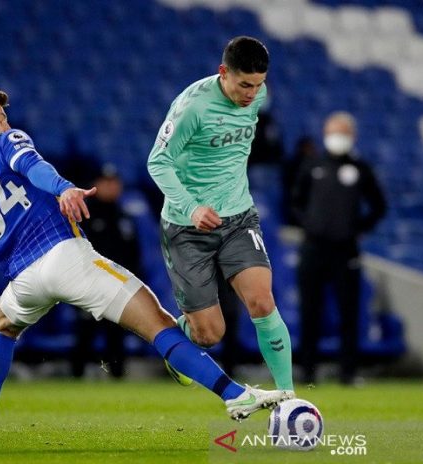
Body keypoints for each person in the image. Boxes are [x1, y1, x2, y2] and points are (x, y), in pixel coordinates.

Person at [0, 89, 290, 442]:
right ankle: (234, 395)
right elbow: (33, 165)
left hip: (23, 277)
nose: (6, 119)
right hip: (64, 257)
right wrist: (62, 187)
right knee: (159, 323)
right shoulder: (5, 142)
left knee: (2, 327)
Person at [147, 36, 295, 395]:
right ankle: (180, 339)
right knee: (210, 333)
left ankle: (289, 396)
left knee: (262, 301)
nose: (251, 94)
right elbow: (157, 162)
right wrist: (192, 207)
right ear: (222, 72)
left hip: (238, 217)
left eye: (258, 85)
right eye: (244, 84)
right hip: (187, 226)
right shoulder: (192, 108)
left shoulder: (259, 95)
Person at [290, 111, 387, 385]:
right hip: (313, 249)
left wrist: (358, 228)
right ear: (324, 133)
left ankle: (348, 372)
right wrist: (308, 224)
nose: (337, 138)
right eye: (332, 132)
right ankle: (307, 371)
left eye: (342, 132)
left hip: (346, 251)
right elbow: (295, 201)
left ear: (352, 136)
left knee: (348, 313)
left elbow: (379, 205)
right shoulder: (312, 165)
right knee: (310, 312)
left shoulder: (360, 168)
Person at [71, 163, 139, 379]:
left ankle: (118, 379)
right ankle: (76, 379)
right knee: (85, 333)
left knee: (116, 335)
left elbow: (134, 255)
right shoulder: (86, 214)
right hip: (89, 284)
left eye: (114, 182)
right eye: (106, 182)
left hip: (118, 286)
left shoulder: (124, 216)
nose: (111, 186)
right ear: (96, 184)